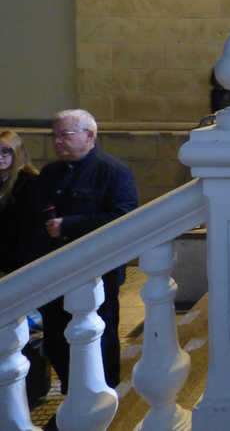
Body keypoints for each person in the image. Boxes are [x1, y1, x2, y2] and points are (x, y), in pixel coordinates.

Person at [21, 110, 138, 430]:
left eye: (66, 135)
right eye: (55, 135)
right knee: (57, 339)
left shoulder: (113, 171)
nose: (58, 141)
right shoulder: (50, 173)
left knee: (99, 338)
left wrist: (70, 225)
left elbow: (124, 219)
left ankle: (104, 403)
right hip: (54, 272)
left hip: (96, 272)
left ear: (90, 135)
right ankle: (74, 397)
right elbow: (34, 221)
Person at [0, 131, 39, 276]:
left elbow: (26, 229)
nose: (0, 157)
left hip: (17, 263)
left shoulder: (29, 182)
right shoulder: (3, 178)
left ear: (17, 152)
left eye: (6, 151)